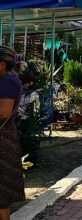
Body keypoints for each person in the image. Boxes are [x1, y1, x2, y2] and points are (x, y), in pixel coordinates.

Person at [0, 46, 26, 220]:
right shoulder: (8, 79)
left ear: (1, 64)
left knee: (2, 192)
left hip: (2, 139)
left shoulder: (7, 82)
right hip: (5, 137)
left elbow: (3, 112)